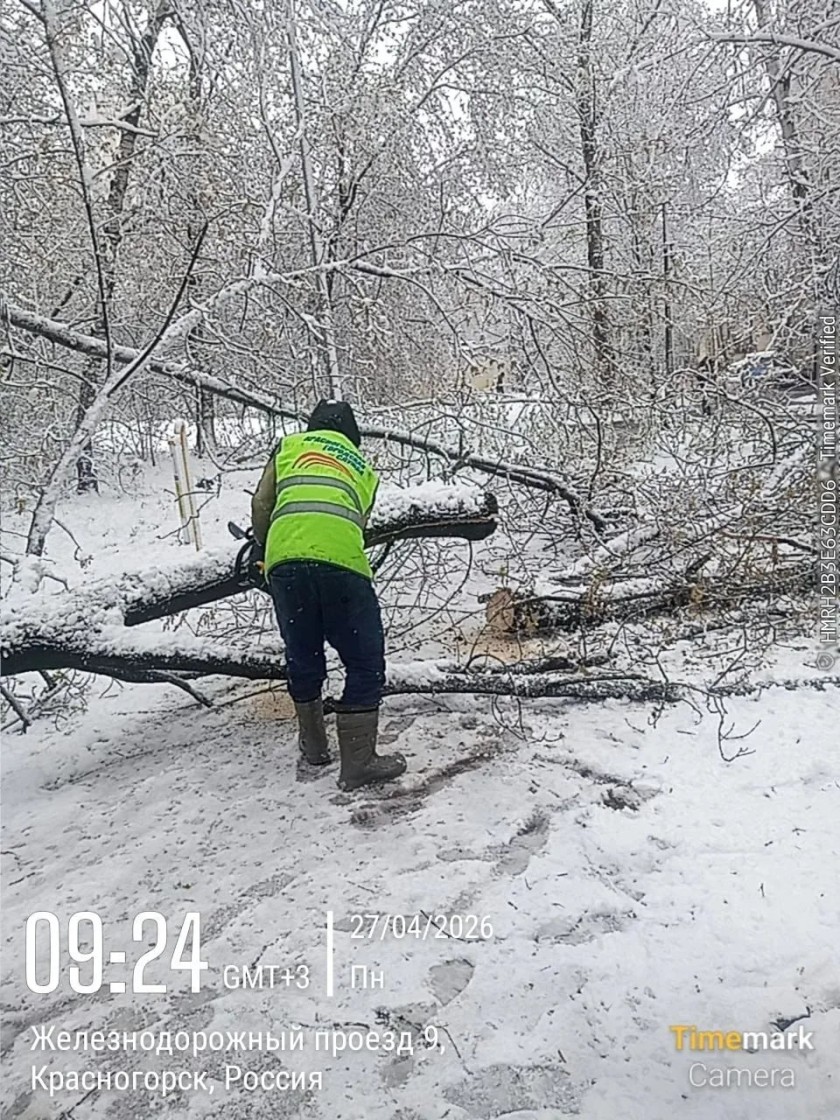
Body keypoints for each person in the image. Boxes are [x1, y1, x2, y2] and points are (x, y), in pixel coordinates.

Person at [251, 400, 406, 791]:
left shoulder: (289, 447)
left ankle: (314, 746)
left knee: (302, 653)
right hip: (343, 565)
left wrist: (264, 548)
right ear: (351, 437)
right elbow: (358, 521)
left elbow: (261, 503)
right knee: (364, 661)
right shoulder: (362, 467)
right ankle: (358, 764)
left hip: (284, 563)